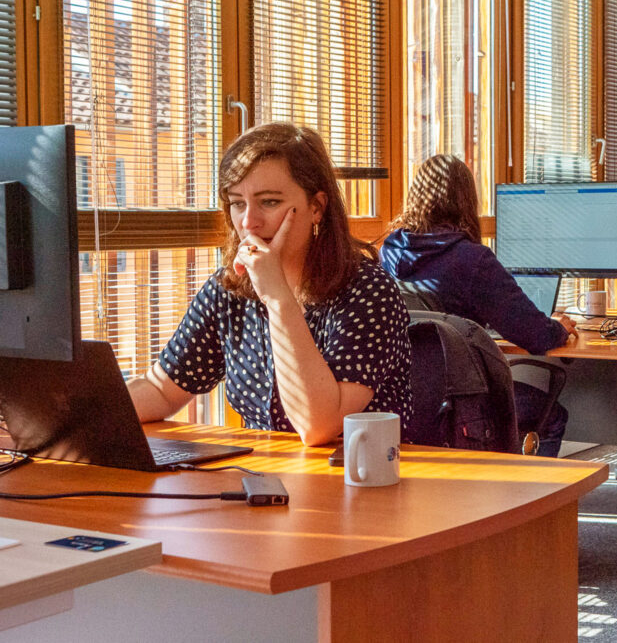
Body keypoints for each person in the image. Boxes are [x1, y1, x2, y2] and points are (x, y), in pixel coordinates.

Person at [127, 124, 411, 447]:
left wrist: (277, 296)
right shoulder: (229, 291)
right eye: (237, 203)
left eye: (269, 202)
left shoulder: (369, 293)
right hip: (268, 483)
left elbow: (319, 426)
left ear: (316, 207)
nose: (248, 222)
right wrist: (79, 413)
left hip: (364, 485)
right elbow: (162, 390)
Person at [379, 154, 578, 457]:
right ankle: (537, 501)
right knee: (551, 416)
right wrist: (558, 327)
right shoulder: (471, 259)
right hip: (463, 401)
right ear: (466, 201)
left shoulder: (389, 254)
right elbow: (536, 335)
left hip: (403, 396)